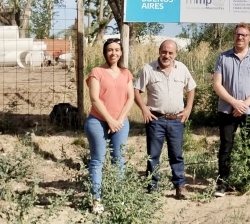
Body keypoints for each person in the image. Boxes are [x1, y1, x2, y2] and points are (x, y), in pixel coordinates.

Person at [133, 39, 196, 200]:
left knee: (176, 155)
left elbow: (191, 87)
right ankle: (152, 188)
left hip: (176, 120)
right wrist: (144, 109)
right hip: (156, 120)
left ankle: (180, 186)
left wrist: (188, 108)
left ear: (175, 54)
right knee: (153, 155)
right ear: (159, 51)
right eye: (164, 51)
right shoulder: (148, 69)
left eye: (170, 52)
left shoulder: (181, 68)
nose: (166, 55)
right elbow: (136, 90)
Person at [212, 23, 250, 197]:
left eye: (244, 35)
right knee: (226, 145)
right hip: (227, 110)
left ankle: (249, 181)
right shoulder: (223, 57)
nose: (240, 37)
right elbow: (217, 85)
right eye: (237, 34)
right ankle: (223, 183)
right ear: (234, 36)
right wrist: (234, 103)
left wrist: (244, 104)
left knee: (249, 145)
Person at [84, 38, 134, 214]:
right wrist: (110, 120)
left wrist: (119, 120)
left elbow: (130, 98)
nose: (114, 53)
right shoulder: (97, 72)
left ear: (121, 52)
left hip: (121, 122)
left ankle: (117, 197)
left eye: (117, 50)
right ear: (105, 53)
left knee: (118, 160)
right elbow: (94, 99)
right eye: (110, 50)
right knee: (97, 160)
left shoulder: (126, 73)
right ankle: (96, 200)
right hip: (98, 121)